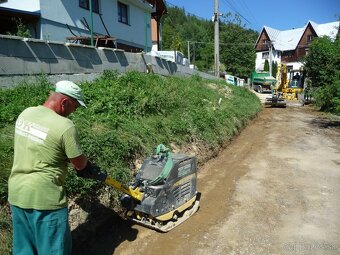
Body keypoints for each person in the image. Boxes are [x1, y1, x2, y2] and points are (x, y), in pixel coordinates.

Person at [8, 80, 107, 255]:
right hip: (45, 199)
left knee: (24, 250)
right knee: (53, 250)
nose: (73, 112)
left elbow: (39, 145)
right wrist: (87, 167)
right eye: (74, 107)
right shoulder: (65, 126)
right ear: (64, 102)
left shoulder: (26, 113)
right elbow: (80, 164)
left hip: (17, 194)